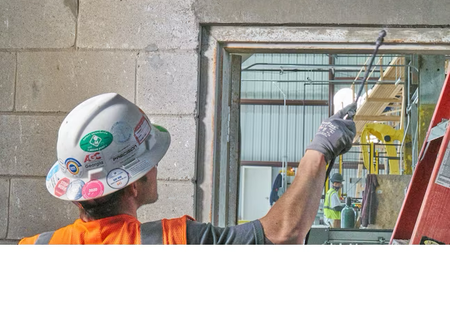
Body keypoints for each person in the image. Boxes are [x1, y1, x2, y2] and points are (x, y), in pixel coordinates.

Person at [19, 93, 356, 245]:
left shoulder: (34, 249)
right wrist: (320, 150)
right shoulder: (176, 242)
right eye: (149, 163)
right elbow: (282, 233)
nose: (155, 168)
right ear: (132, 184)